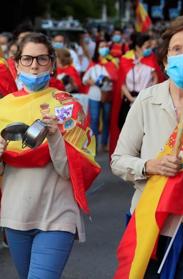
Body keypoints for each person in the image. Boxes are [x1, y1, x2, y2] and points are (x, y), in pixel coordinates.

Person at [111, 14, 183, 279]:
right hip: (150, 219)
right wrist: (149, 166)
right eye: (177, 49)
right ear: (165, 59)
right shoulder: (147, 100)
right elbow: (118, 159)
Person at [0, 32, 100, 279]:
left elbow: (72, 170)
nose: (34, 65)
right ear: (16, 64)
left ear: (53, 64)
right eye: (27, 59)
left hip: (57, 214)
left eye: (42, 59)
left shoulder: (68, 107)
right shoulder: (4, 107)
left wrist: (55, 136)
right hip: (15, 215)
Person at [109, 32, 162, 156]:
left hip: (146, 98)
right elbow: (121, 83)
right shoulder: (125, 60)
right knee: (126, 129)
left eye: (150, 46)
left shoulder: (151, 59)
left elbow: (156, 79)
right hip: (129, 99)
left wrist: (147, 91)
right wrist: (131, 98)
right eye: (146, 46)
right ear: (138, 47)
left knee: (145, 130)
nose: (149, 49)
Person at [82, 39, 118, 152]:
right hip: (94, 96)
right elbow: (84, 79)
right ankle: (94, 145)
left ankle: (104, 144)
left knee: (107, 120)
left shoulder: (112, 62)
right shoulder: (93, 63)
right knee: (94, 119)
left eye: (106, 46)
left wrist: (107, 81)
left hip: (107, 95)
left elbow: (116, 78)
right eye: (102, 46)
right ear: (97, 49)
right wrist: (92, 82)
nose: (104, 48)